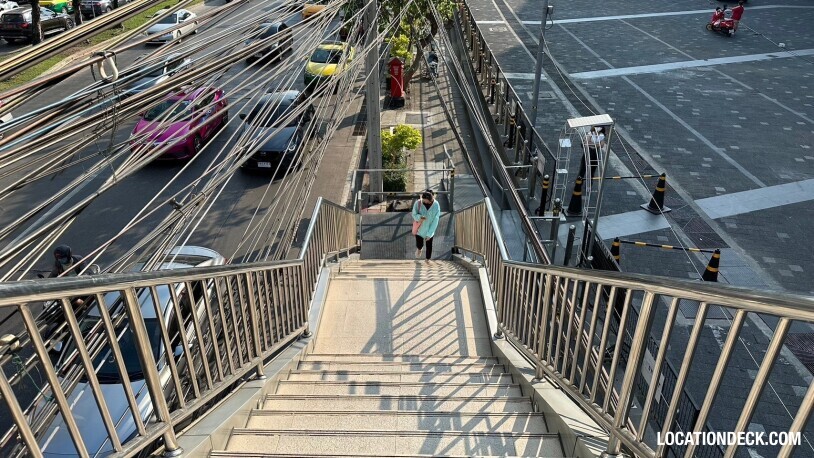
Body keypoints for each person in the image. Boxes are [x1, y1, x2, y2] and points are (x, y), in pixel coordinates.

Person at [411, 190, 441, 261]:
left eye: (428, 202)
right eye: (424, 201)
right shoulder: (418, 203)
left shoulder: (436, 205)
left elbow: (435, 221)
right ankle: (419, 249)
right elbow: (414, 214)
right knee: (419, 244)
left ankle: (428, 259)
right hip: (420, 229)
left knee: (429, 246)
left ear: (431, 199)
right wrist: (420, 217)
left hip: (430, 229)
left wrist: (429, 234)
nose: (426, 203)